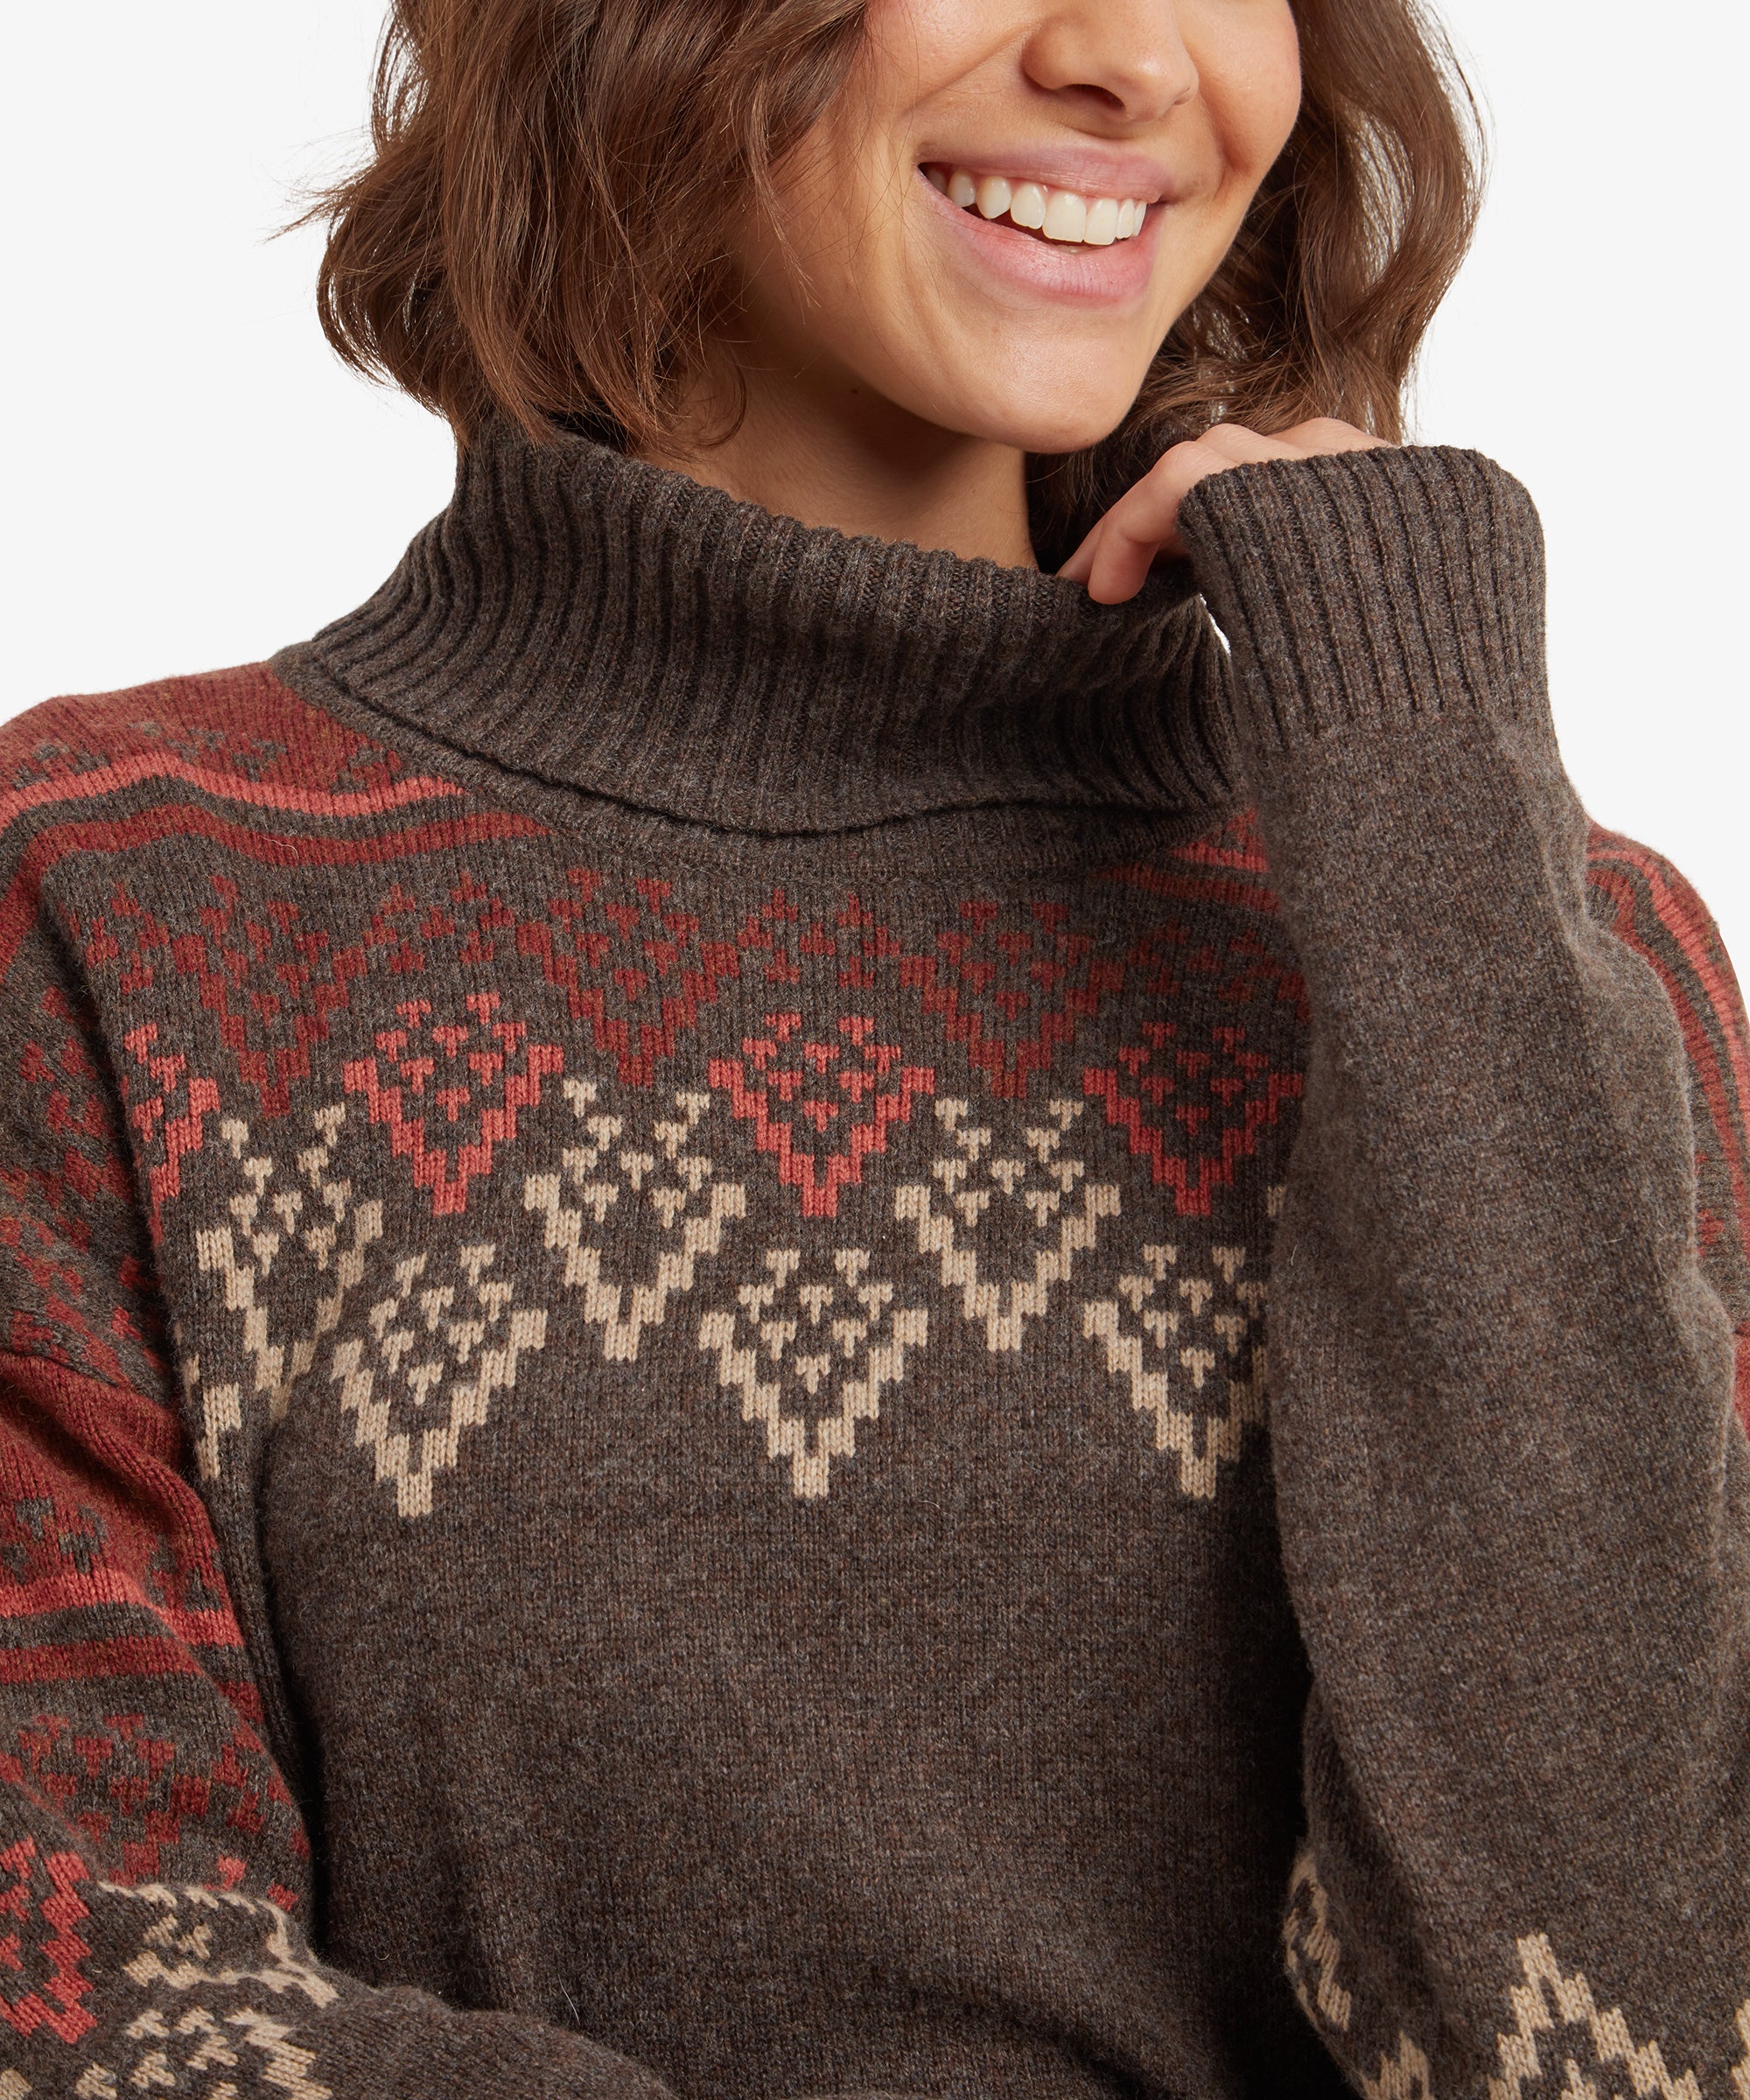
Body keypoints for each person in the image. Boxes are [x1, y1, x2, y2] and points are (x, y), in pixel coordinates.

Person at [2, 0, 1746, 2094]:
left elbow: (1627, 2035)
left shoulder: (1522, 949)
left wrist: (1434, 825)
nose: (1133, 56)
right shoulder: (118, 903)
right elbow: (79, 1989)